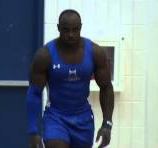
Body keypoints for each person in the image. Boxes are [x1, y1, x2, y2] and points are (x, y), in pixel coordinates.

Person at [26, 9, 114, 148]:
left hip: (83, 119)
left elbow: (106, 87)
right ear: (58, 28)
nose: (70, 34)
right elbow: (34, 93)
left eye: (75, 30)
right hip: (55, 117)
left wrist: (107, 124)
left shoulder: (95, 52)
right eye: (66, 30)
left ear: (80, 28)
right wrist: (33, 131)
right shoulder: (45, 55)